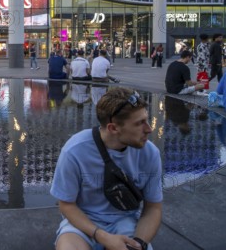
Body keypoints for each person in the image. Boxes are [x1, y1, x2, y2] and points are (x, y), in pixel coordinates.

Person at [51, 87, 162, 250]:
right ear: (113, 128)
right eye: (139, 123)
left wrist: (139, 243)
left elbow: (153, 208)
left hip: (126, 221)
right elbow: (66, 205)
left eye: (146, 119)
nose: (149, 129)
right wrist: (101, 236)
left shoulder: (150, 153)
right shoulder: (75, 151)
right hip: (82, 223)